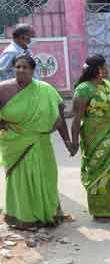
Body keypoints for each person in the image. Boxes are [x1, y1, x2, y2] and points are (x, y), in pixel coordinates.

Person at [0, 55, 71, 229]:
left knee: (45, 179)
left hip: (41, 142)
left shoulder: (45, 90)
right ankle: (23, 217)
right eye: (17, 67)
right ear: (13, 68)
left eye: (25, 67)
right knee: (20, 180)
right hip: (14, 143)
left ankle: (47, 215)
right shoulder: (3, 89)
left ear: (33, 70)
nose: (21, 70)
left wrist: (67, 141)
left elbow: (59, 116)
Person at [69, 55, 110, 219]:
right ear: (98, 70)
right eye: (104, 66)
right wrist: (74, 141)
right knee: (98, 172)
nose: (107, 69)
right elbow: (77, 118)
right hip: (95, 138)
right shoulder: (84, 89)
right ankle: (100, 211)